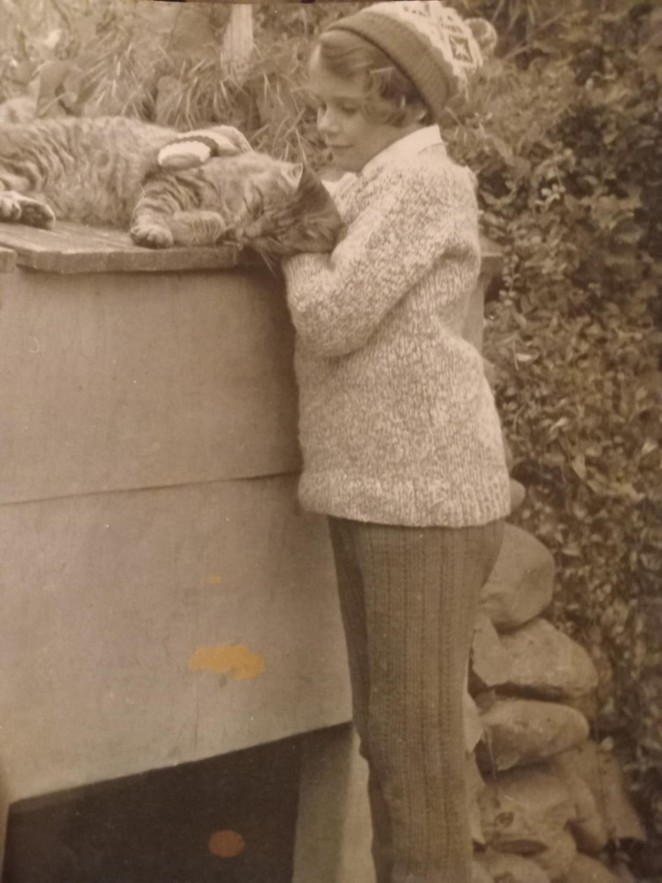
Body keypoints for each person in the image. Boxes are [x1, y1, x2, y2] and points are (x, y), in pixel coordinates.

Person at [280, 4, 511, 883]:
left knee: (415, 759)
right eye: (319, 109)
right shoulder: (370, 182)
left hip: (423, 499)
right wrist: (307, 213)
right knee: (388, 742)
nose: (325, 127)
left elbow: (332, 314)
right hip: (374, 490)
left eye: (343, 108)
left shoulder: (423, 186)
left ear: (405, 106)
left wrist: (297, 234)